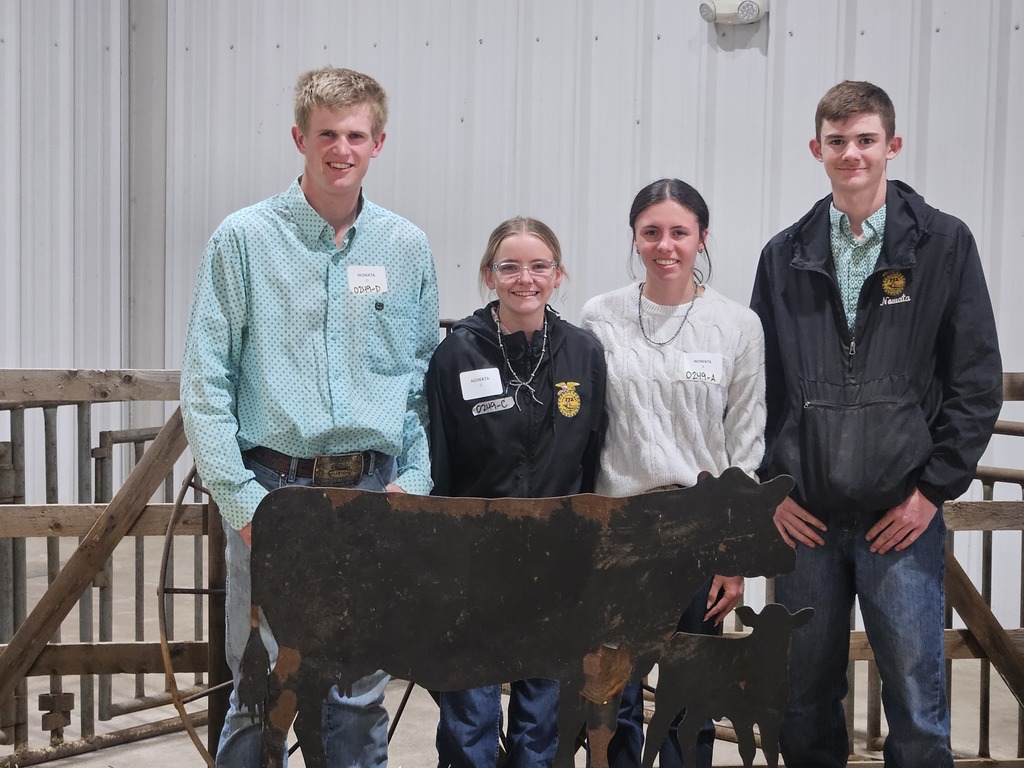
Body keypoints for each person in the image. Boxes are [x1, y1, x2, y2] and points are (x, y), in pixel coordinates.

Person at [180, 66, 439, 768]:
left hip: (373, 494)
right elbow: (206, 379)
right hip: (275, 492)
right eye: (327, 133)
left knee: (357, 692)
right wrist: (241, 501)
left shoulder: (406, 248)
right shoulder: (243, 239)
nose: (341, 148)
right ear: (300, 136)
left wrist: (412, 484)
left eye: (356, 134)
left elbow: (420, 380)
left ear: (378, 143)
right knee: (263, 684)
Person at [750, 80, 1002, 768]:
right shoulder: (783, 256)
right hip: (806, 521)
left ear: (892, 145)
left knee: (918, 705)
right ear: (816, 149)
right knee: (802, 699)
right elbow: (758, 388)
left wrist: (933, 492)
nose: (851, 154)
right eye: (837, 142)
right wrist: (775, 489)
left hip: (903, 517)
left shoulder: (944, 244)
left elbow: (976, 381)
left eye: (865, 140)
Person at [580, 178, 767, 768]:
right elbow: (588, 427)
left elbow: (746, 446)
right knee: (614, 696)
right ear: (635, 238)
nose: (666, 245)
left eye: (679, 232)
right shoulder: (600, 316)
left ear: (702, 238)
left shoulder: (737, 325)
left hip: (699, 531)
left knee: (690, 700)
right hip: (622, 531)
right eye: (651, 232)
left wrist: (733, 554)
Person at [426, 216, 607, 768]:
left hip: (556, 558)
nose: (524, 279)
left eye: (538, 266)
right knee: (471, 716)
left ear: (558, 276)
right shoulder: (457, 355)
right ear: (488, 275)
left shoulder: (582, 352)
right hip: (473, 560)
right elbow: (439, 460)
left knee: (541, 717)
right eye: (509, 267)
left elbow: (594, 456)